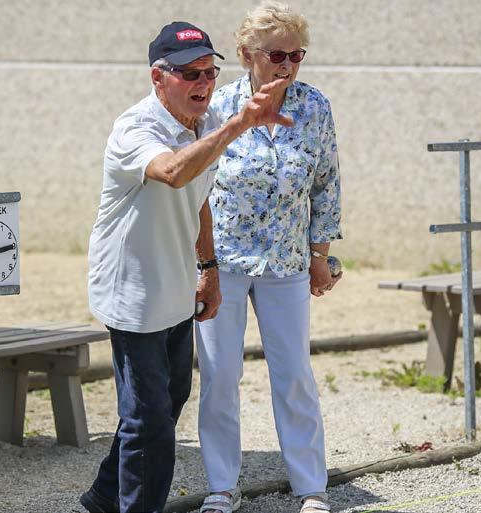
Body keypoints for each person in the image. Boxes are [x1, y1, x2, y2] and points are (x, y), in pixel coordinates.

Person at [81, 21, 293, 513]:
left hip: (176, 286)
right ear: (158, 78)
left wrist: (209, 267)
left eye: (209, 72)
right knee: (149, 419)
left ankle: (103, 495)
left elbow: (200, 194)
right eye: (189, 74)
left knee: (169, 399)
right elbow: (175, 173)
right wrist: (237, 126)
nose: (203, 83)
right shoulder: (135, 128)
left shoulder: (202, 123)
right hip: (131, 292)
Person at [195, 3, 342, 513]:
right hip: (224, 261)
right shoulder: (217, 106)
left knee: (294, 373)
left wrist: (320, 253)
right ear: (247, 55)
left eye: (296, 55)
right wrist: (200, 263)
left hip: (286, 261)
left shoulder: (315, 106)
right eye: (277, 54)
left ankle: (310, 487)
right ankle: (220, 486)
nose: (287, 65)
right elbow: (196, 186)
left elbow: (326, 184)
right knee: (218, 374)